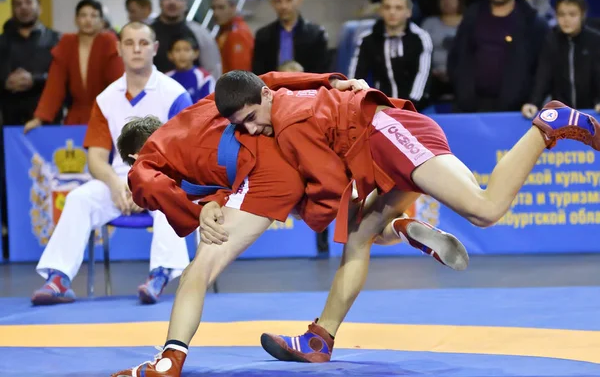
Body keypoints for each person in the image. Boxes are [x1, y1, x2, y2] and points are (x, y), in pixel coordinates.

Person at [212, 70, 600, 362]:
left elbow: (328, 189)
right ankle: (320, 338)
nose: (251, 129)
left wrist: (291, 210)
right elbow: (286, 79)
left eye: (250, 118)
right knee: (359, 236)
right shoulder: (278, 96)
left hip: (391, 137)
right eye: (240, 126)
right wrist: (339, 81)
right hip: (383, 143)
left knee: (485, 210)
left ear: (264, 96)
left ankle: (549, 125)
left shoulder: (288, 123)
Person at [110, 72, 467, 377]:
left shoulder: (146, 158)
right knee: (357, 227)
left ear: (131, 155)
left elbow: (149, 185)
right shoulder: (201, 110)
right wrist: (333, 81)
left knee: (198, 271)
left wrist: (193, 217)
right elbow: (268, 81)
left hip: (265, 172)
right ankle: (400, 227)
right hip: (291, 146)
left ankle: (168, 362)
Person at [31, 21, 193, 306]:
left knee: (171, 198)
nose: (136, 49)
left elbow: (185, 158)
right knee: (79, 198)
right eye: (129, 43)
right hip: (118, 183)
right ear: (118, 49)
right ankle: (58, 278)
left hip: (164, 181)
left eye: (143, 43)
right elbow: (95, 158)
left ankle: (160, 274)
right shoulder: (106, 99)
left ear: (155, 49)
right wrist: (117, 184)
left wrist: (147, 187)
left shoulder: (175, 94)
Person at [24, 0, 123, 132]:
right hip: (75, 118)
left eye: (93, 15)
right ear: (76, 20)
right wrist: (39, 118)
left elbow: (118, 84)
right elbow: (54, 86)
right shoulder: (66, 43)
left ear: (101, 22)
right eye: (83, 15)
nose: (88, 20)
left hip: (107, 116)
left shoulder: (109, 42)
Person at [211, 0, 254, 73]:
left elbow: (240, 72)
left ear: (233, 8)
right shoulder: (224, 31)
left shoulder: (238, 33)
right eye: (213, 8)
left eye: (221, 8)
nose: (216, 13)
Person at [165, 36, 215, 103]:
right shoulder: (166, 78)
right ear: (170, 55)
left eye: (186, 50)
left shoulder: (204, 78)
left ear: (196, 53)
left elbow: (209, 106)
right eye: (177, 50)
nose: (182, 54)